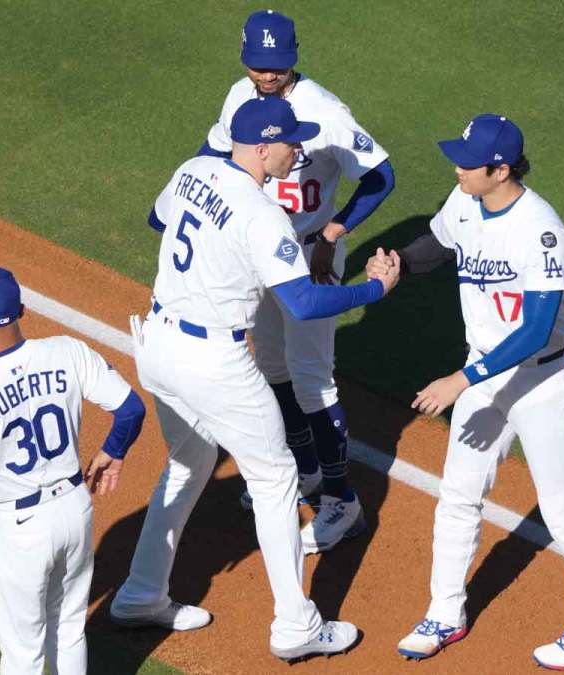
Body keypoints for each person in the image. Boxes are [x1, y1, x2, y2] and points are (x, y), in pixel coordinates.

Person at [111, 96, 400, 661]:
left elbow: (158, 217)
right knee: (274, 481)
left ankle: (141, 593)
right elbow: (305, 301)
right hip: (212, 361)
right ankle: (296, 626)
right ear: (263, 147)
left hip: (157, 343)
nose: (300, 150)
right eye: (292, 141)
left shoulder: (193, 170)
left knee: (188, 463)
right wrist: (376, 291)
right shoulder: (262, 214)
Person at [368, 114, 564, 669]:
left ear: (500, 169)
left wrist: (461, 380)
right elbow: (437, 243)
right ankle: (444, 612)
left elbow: (535, 331)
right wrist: (399, 265)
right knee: (458, 494)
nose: (456, 167)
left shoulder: (541, 230)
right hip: (485, 375)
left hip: (545, 382)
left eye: (467, 161)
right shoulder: (465, 200)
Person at [197, 9, 397, 553]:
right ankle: (306, 468)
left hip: (311, 254)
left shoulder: (324, 112)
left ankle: (342, 502)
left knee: (314, 377)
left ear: (295, 57)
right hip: (255, 252)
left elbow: (382, 174)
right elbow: (213, 156)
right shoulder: (238, 96)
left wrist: (334, 230)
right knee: (273, 365)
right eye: (259, 66)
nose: (267, 76)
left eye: (277, 66)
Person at [0, 265, 146, 675]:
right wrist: (112, 451)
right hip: (74, 509)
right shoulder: (68, 351)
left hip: (19, 529)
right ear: (23, 310)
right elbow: (131, 409)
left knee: (21, 653)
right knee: (68, 631)